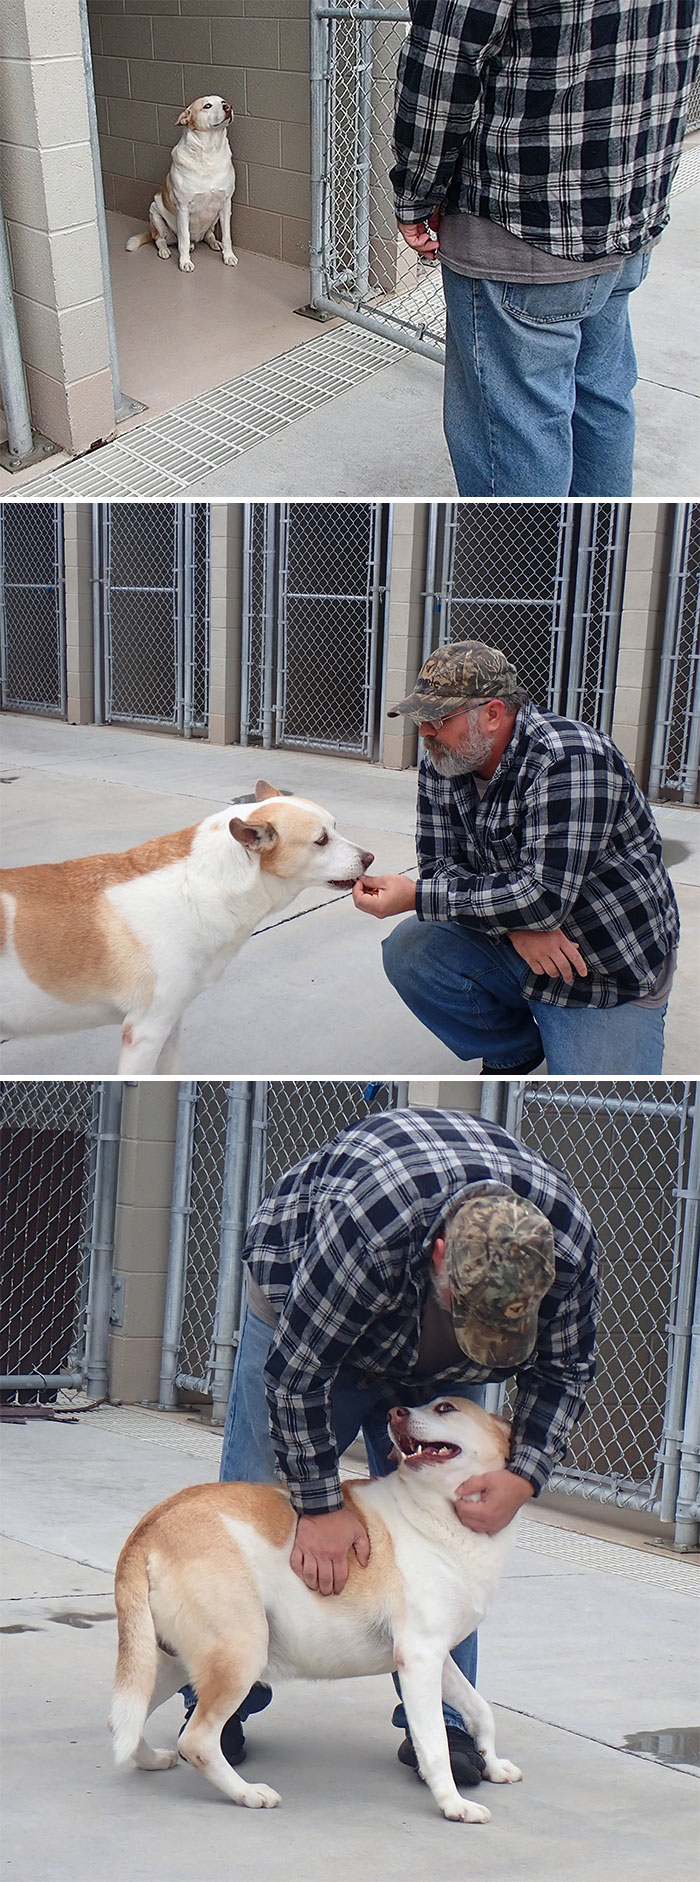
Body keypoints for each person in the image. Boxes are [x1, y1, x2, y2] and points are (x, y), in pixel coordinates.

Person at [184, 1106, 600, 1791]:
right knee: (259, 1494)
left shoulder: (564, 1246)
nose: (485, 1345)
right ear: (440, 1258)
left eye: (502, 1332)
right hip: (307, 1307)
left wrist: (524, 1474)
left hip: (418, 1340)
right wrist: (319, 1507)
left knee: (452, 1528)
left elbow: (565, 1370)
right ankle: (222, 1701)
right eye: (473, 1322)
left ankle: (445, 1723)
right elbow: (296, 1377)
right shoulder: (369, 1230)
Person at [390, 0, 700, 497]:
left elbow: (443, 63)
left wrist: (417, 195)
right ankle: (599, 546)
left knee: (518, 427)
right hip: (628, 214)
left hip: (520, 227)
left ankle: (520, 553)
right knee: (600, 397)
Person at [352, 641, 680, 1076]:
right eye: (421, 718)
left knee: (590, 1100)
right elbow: (438, 865)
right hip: (523, 940)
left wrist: (417, 897)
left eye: (438, 719)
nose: (425, 732)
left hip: (602, 968)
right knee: (411, 949)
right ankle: (514, 1050)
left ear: (492, 714)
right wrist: (516, 926)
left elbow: (543, 898)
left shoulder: (571, 760)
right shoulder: (444, 760)